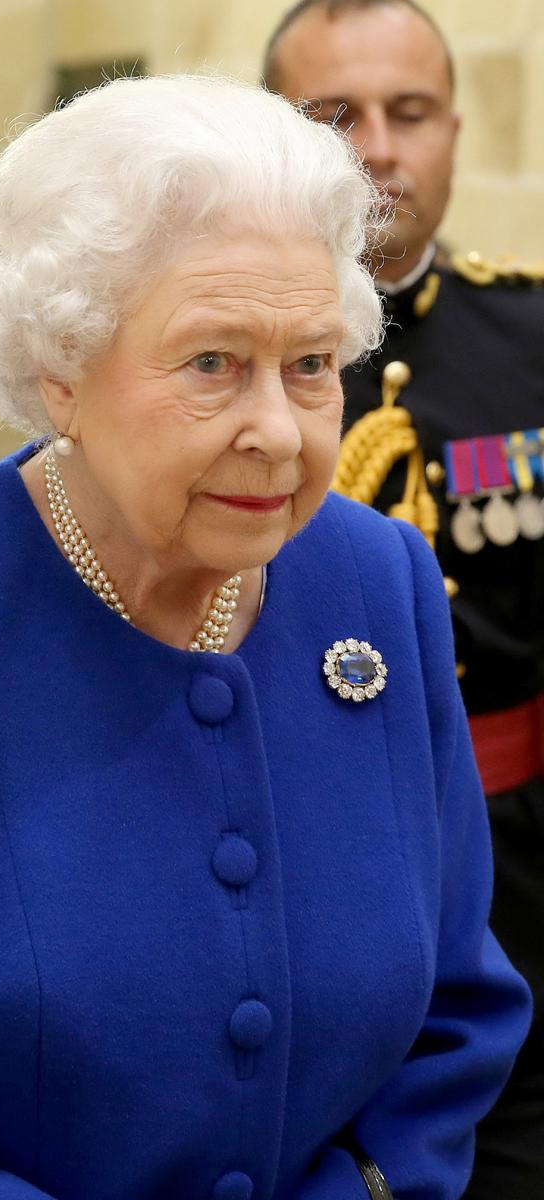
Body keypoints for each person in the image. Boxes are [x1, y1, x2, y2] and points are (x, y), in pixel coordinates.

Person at [0, 74, 530, 1200]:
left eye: (309, 365)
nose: (275, 428)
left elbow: (457, 1014)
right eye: (212, 362)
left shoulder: (380, 577)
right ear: (61, 369)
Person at [262, 4, 544, 1197]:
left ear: (452, 133)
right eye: (332, 117)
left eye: (407, 112)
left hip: (517, 860)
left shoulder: (529, 333)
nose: (375, 146)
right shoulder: (206, 350)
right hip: (278, 845)